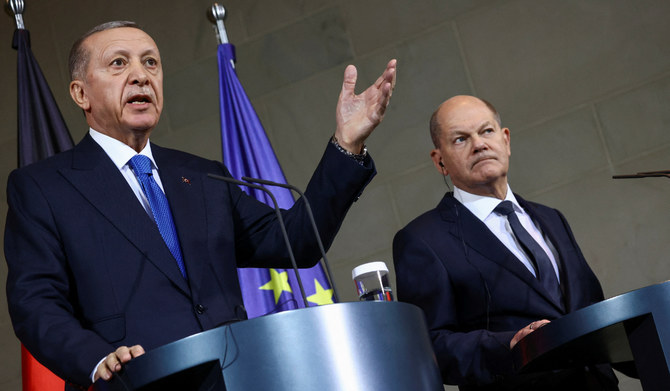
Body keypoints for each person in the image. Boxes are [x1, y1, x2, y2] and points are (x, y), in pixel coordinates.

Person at [4, 21, 396, 390]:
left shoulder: (202, 176)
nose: (141, 75)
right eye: (118, 63)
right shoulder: (44, 188)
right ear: (80, 94)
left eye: (151, 62)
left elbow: (296, 240)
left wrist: (347, 144)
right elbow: (35, 303)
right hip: (136, 382)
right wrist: (96, 359)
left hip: (236, 377)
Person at [393, 95, 618, 390]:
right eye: (460, 139)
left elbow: (591, 308)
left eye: (486, 131)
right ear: (440, 162)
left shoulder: (552, 219)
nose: (479, 144)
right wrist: (508, 345)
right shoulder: (423, 240)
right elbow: (430, 344)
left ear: (506, 140)